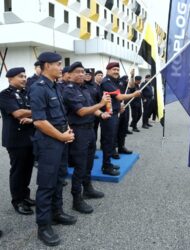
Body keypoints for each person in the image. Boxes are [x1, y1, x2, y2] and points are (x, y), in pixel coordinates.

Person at [29, 52, 76, 247]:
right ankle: (43, 226)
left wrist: (67, 129)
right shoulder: (38, 88)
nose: (61, 68)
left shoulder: (54, 86)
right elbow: (39, 121)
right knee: (47, 184)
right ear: (47, 65)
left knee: (59, 179)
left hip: (61, 140)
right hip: (49, 144)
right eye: (58, 64)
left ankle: (56, 213)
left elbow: (58, 115)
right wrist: (61, 136)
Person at [62, 62, 110, 214]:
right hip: (78, 131)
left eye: (82, 71)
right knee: (80, 165)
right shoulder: (68, 90)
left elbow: (91, 108)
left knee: (89, 162)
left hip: (89, 130)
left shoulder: (84, 89)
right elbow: (82, 111)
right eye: (77, 71)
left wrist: (101, 113)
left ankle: (87, 189)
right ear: (69, 74)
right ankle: (77, 199)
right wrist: (101, 104)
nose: (81, 74)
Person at [0, 67, 35, 215]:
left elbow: (29, 113)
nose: (24, 79)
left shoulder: (27, 93)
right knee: (18, 170)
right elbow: (18, 113)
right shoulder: (4, 95)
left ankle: (25, 196)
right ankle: (17, 201)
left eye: (25, 76)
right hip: (15, 139)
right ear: (10, 79)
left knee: (27, 169)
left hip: (30, 138)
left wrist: (34, 112)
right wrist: (39, 109)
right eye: (20, 76)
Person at [99, 62, 141, 175]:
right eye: (113, 69)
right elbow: (119, 96)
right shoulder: (106, 82)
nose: (116, 71)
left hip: (114, 113)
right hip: (108, 115)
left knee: (112, 140)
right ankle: (106, 167)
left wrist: (119, 106)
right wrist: (133, 95)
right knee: (108, 142)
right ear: (107, 70)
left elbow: (115, 98)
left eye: (117, 69)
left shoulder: (113, 81)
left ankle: (108, 163)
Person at [116, 74, 133, 156]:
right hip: (116, 109)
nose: (127, 81)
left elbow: (132, 85)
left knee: (123, 130)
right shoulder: (113, 84)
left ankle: (121, 147)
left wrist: (132, 76)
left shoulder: (126, 85)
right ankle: (112, 150)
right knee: (115, 130)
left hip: (125, 108)